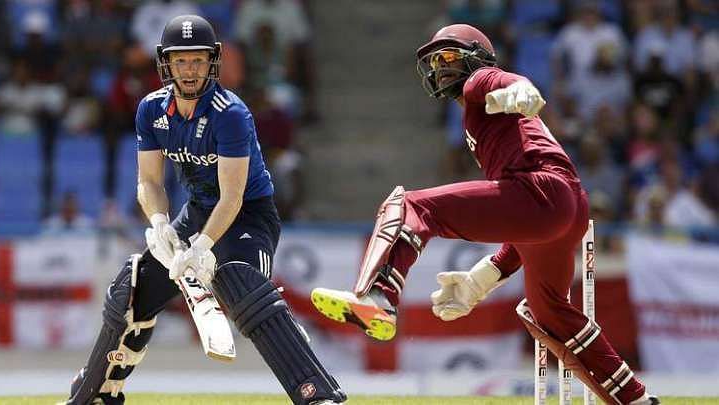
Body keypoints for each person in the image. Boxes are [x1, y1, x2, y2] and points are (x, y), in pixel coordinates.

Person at [311, 24, 658, 405]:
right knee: (548, 312)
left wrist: (518, 87)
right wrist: (484, 277)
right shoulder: (485, 112)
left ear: (476, 56)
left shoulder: (481, 82)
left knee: (409, 205)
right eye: (434, 61)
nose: (440, 68)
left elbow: (498, 81)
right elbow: (528, 218)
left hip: (540, 190)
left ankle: (379, 297)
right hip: (565, 204)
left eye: (447, 57)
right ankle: (636, 400)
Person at [63, 15, 346, 405]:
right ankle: (95, 393)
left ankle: (317, 395)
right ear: (166, 64)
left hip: (249, 215)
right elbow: (148, 182)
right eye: (181, 61)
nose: (190, 70)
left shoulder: (230, 112)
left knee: (240, 284)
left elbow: (232, 197)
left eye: (197, 60)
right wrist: (160, 224)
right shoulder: (151, 110)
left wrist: (201, 249)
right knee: (131, 288)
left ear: (211, 61)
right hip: (196, 211)